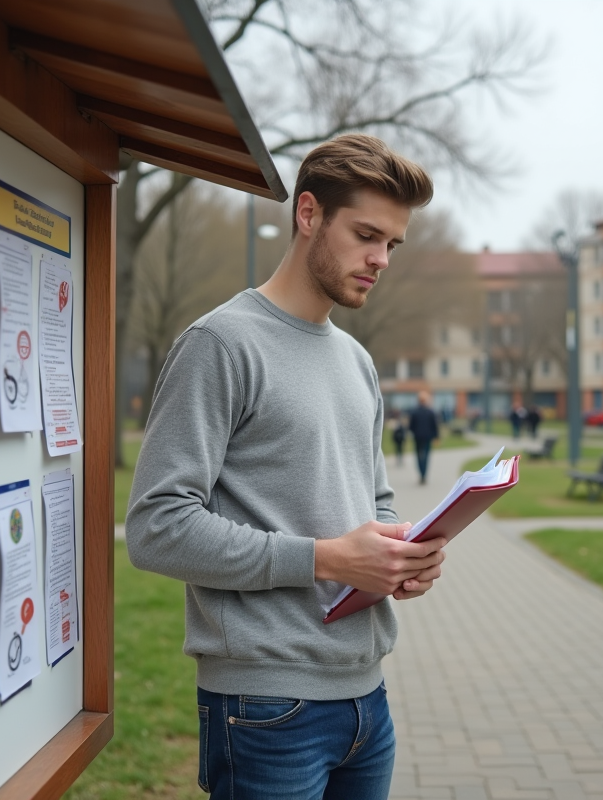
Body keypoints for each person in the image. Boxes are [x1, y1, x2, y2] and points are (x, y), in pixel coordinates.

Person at [125, 134, 444, 800]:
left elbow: (374, 499)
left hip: (367, 701)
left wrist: (398, 553)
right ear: (308, 214)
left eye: (392, 243)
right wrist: (328, 559)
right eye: (366, 235)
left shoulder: (357, 361)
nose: (381, 259)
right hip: (264, 709)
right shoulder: (221, 344)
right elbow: (157, 528)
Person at [407, 391, 440, 485]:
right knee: (426, 456)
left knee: (418, 456)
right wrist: (436, 437)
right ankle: (424, 474)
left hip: (417, 437)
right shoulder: (430, 412)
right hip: (427, 437)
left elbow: (411, 426)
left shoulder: (414, 412)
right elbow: (434, 426)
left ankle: (421, 473)